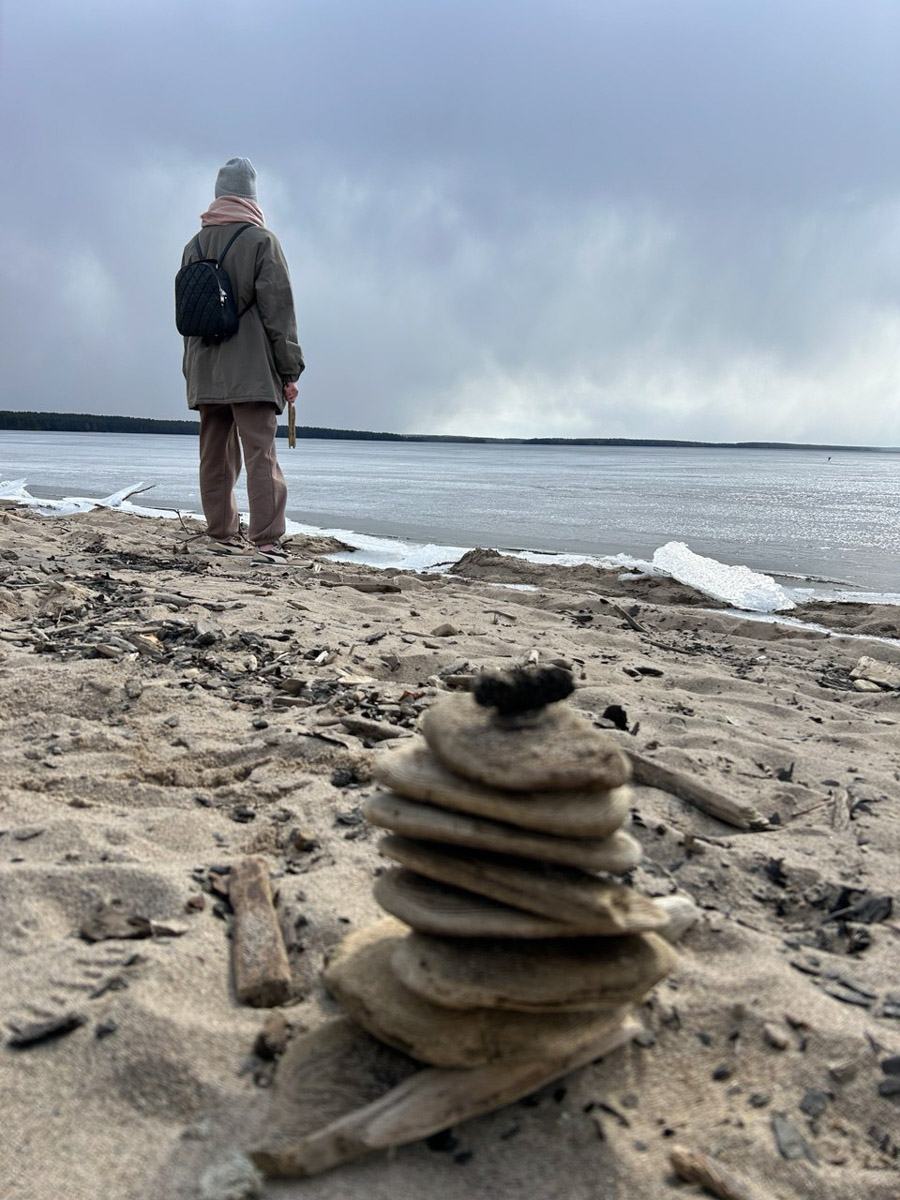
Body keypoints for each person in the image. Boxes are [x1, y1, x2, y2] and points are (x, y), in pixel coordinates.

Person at [181, 157, 304, 557]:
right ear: (251, 196)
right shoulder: (261, 241)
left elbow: (187, 316)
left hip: (205, 369)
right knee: (260, 453)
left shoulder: (194, 245)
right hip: (250, 369)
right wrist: (289, 370)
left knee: (214, 455)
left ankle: (220, 532)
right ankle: (265, 538)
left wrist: (191, 374)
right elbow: (278, 313)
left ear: (218, 195)